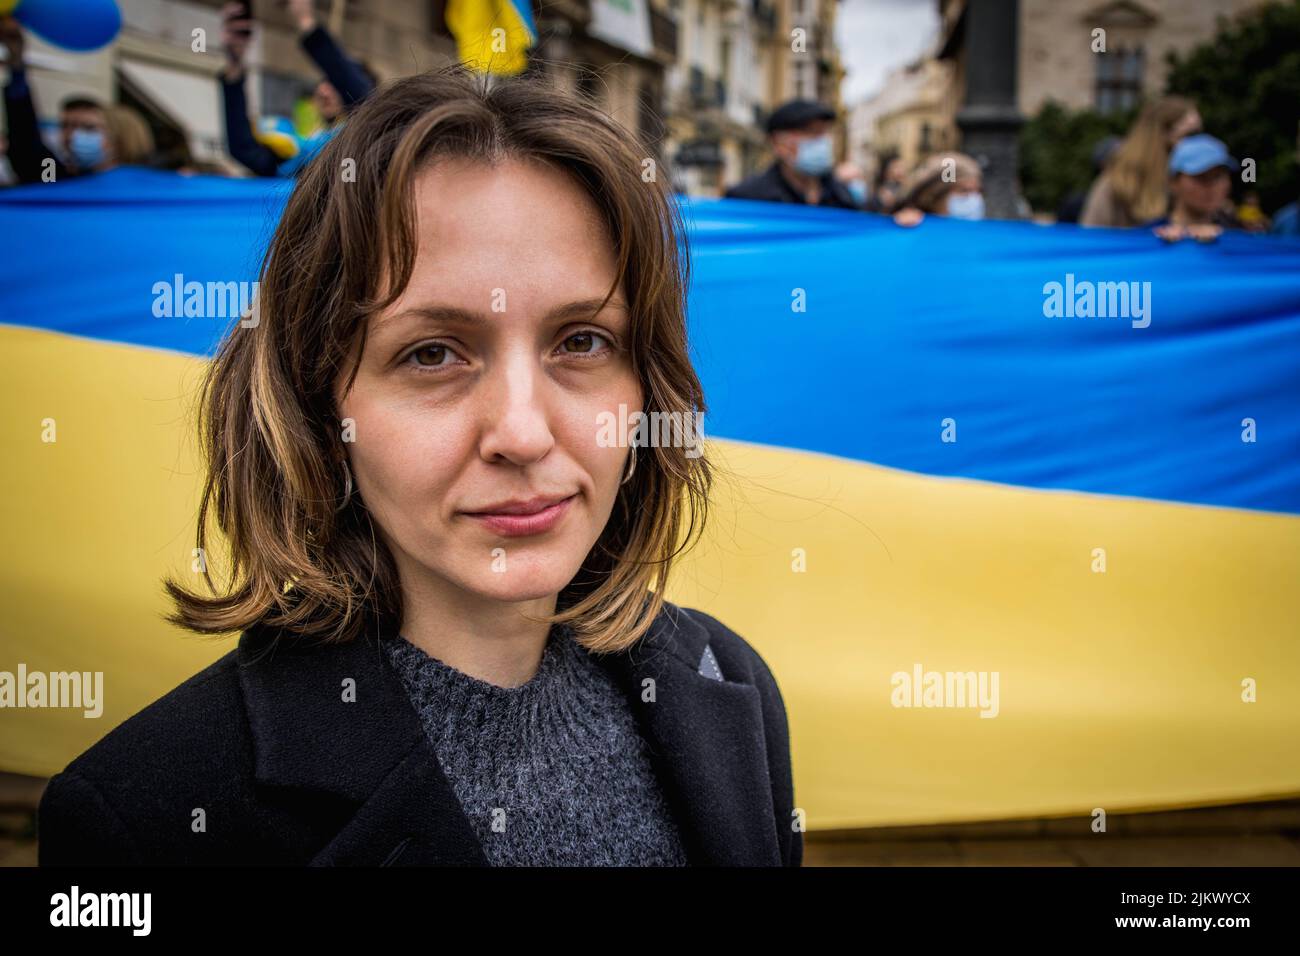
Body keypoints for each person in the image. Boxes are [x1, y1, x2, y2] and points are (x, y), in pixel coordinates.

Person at [35, 65, 802, 868]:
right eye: (432, 353)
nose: (522, 433)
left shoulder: (728, 688)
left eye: (581, 341)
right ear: (320, 407)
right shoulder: (148, 815)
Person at [220, 0, 375, 177]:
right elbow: (245, 151)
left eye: (335, 84)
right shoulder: (298, 150)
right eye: (322, 82)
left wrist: (305, 21)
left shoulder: (367, 145)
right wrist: (235, 65)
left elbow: (363, 99)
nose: (323, 91)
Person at [1, 17, 154, 183]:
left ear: (121, 138)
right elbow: (26, 147)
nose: (73, 135)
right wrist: (16, 67)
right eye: (66, 126)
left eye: (88, 128)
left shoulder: (149, 188)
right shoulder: (54, 178)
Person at [1079, 95, 1201, 228]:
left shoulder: (1198, 185)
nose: (1198, 144)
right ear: (1162, 134)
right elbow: (1092, 236)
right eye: (1190, 135)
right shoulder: (1117, 184)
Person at [725, 98, 859, 209]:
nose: (822, 141)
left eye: (824, 132)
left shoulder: (844, 198)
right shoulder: (747, 199)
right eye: (811, 132)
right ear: (778, 143)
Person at [1145, 133, 1240, 242]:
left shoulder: (1242, 234)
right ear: (1173, 182)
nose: (1211, 186)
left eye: (1218, 177)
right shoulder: (1148, 234)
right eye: (1200, 177)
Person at [891, 151, 984, 226]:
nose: (974, 198)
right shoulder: (910, 228)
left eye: (979, 191)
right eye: (964, 190)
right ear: (934, 196)